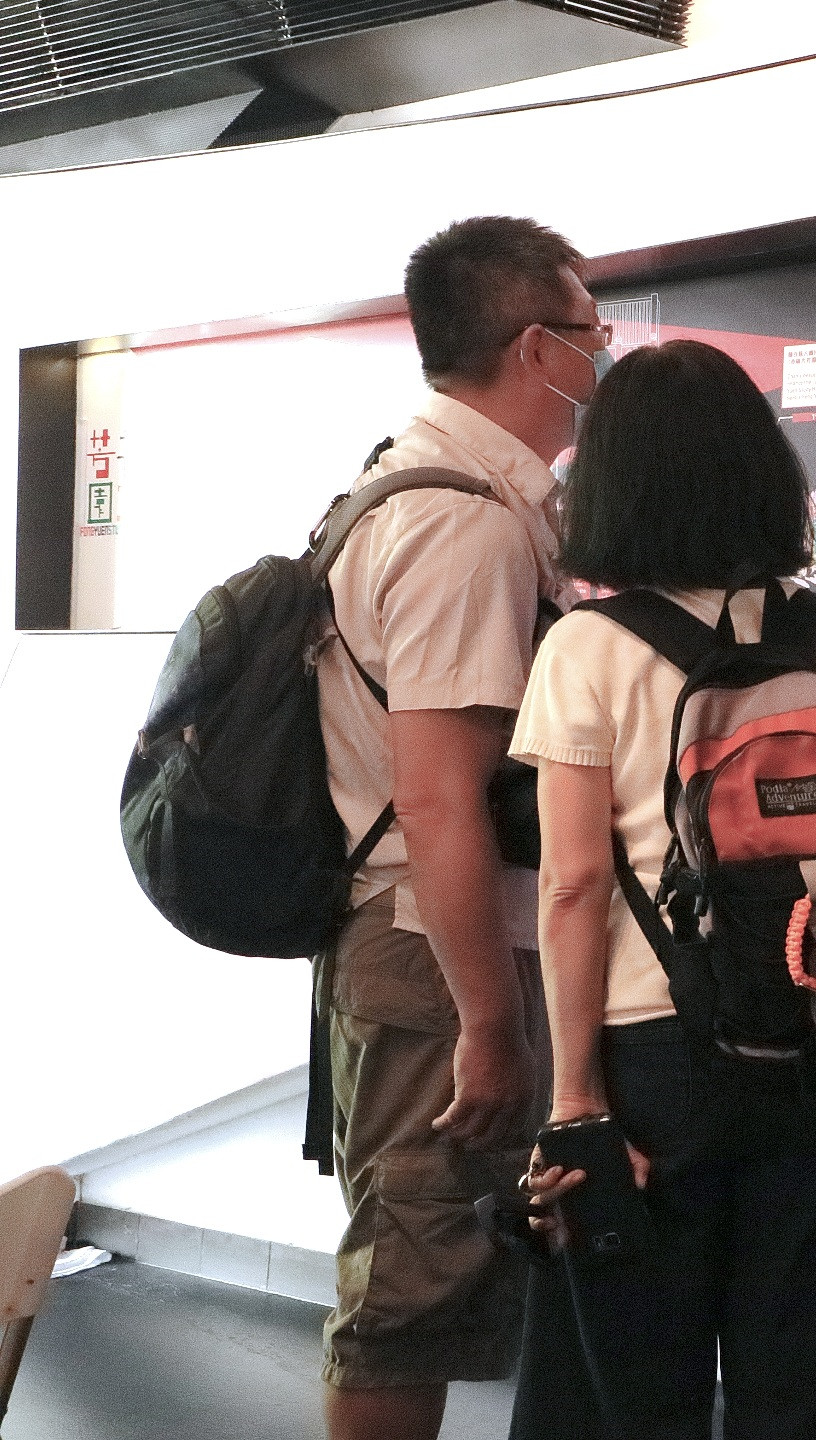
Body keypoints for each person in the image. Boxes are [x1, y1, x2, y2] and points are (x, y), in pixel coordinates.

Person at [508, 340, 816, 1438]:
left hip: (656, 1059)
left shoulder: (587, 651)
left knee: (626, 1382)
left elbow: (572, 886)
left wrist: (574, 1101)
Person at [314, 215, 597, 1440]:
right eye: (591, 331)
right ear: (537, 348)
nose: (601, 354)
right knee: (415, 1275)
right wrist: (489, 1022)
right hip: (430, 947)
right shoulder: (465, 522)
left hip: (414, 934)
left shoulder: (411, 478)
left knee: (427, 1256)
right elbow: (437, 794)